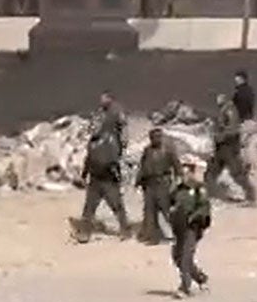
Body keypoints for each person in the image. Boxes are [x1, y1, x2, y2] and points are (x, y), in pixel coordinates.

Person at [72, 103, 132, 243]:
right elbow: (88, 159)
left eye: (96, 125)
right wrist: (83, 175)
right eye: (93, 126)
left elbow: (116, 156)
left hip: (109, 179)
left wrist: (116, 172)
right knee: (89, 209)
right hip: (95, 180)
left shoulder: (111, 140)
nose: (94, 128)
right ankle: (84, 233)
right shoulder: (92, 143)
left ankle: (125, 230)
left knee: (117, 206)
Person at [169, 155, 212, 298]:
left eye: (187, 169)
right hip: (178, 227)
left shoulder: (199, 189)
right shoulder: (177, 189)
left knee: (186, 257)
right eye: (182, 169)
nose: (184, 172)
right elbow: (171, 204)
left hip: (192, 228)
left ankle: (184, 287)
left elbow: (204, 207)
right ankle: (200, 278)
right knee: (177, 257)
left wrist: (194, 216)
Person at [205, 93, 257, 205]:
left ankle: (250, 197)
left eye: (219, 99)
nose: (217, 101)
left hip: (229, 148)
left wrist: (220, 136)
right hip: (220, 149)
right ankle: (213, 196)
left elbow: (233, 129)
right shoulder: (223, 111)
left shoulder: (230, 111)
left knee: (237, 174)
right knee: (211, 173)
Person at [136, 128, 179, 245]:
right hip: (150, 184)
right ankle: (153, 236)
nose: (156, 139)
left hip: (163, 183)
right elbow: (143, 166)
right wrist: (138, 180)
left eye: (159, 136)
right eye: (154, 137)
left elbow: (177, 168)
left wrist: (177, 184)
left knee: (167, 211)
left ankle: (177, 235)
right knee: (150, 211)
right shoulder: (147, 150)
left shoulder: (168, 151)